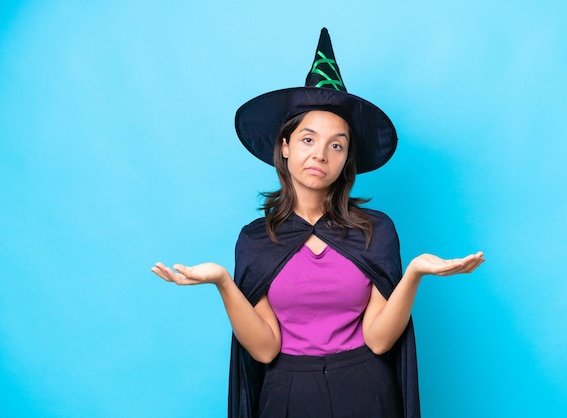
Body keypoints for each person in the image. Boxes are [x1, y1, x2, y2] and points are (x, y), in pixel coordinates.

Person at [151, 28, 484, 418]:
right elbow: (264, 349)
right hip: (288, 394)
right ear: (286, 146)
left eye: (336, 144)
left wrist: (413, 274)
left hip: (366, 391)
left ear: (346, 160)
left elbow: (379, 341)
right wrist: (224, 282)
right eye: (308, 139)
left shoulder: (376, 231)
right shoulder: (256, 241)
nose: (321, 154)